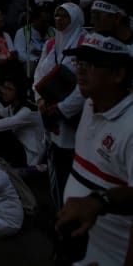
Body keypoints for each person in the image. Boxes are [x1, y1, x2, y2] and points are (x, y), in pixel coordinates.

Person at [57, 33, 133, 265]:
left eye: (89, 64)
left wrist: (100, 201)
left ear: (118, 74)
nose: (79, 70)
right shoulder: (90, 106)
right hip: (84, 251)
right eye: (78, 63)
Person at [33, 2, 85, 208]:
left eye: (65, 16)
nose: (59, 20)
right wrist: (40, 100)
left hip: (74, 118)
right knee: (58, 170)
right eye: (57, 16)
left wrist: (63, 108)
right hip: (52, 115)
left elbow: (84, 84)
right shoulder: (51, 44)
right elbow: (38, 74)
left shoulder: (83, 44)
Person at [0, 71, 45, 167]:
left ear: (18, 92)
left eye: (9, 89)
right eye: (4, 87)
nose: (4, 92)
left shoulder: (28, 111)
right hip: (18, 149)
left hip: (28, 157)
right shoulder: (12, 107)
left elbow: (2, 124)